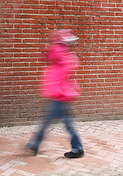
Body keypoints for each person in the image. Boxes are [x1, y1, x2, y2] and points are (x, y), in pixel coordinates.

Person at [26, 29, 84, 158]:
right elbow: (47, 57)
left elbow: (49, 56)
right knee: (61, 123)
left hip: (59, 96)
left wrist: (53, 46)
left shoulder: (60, 56)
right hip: (60, 95)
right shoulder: (66, 57)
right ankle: (77, 148)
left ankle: (35, 144)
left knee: (48, 123)